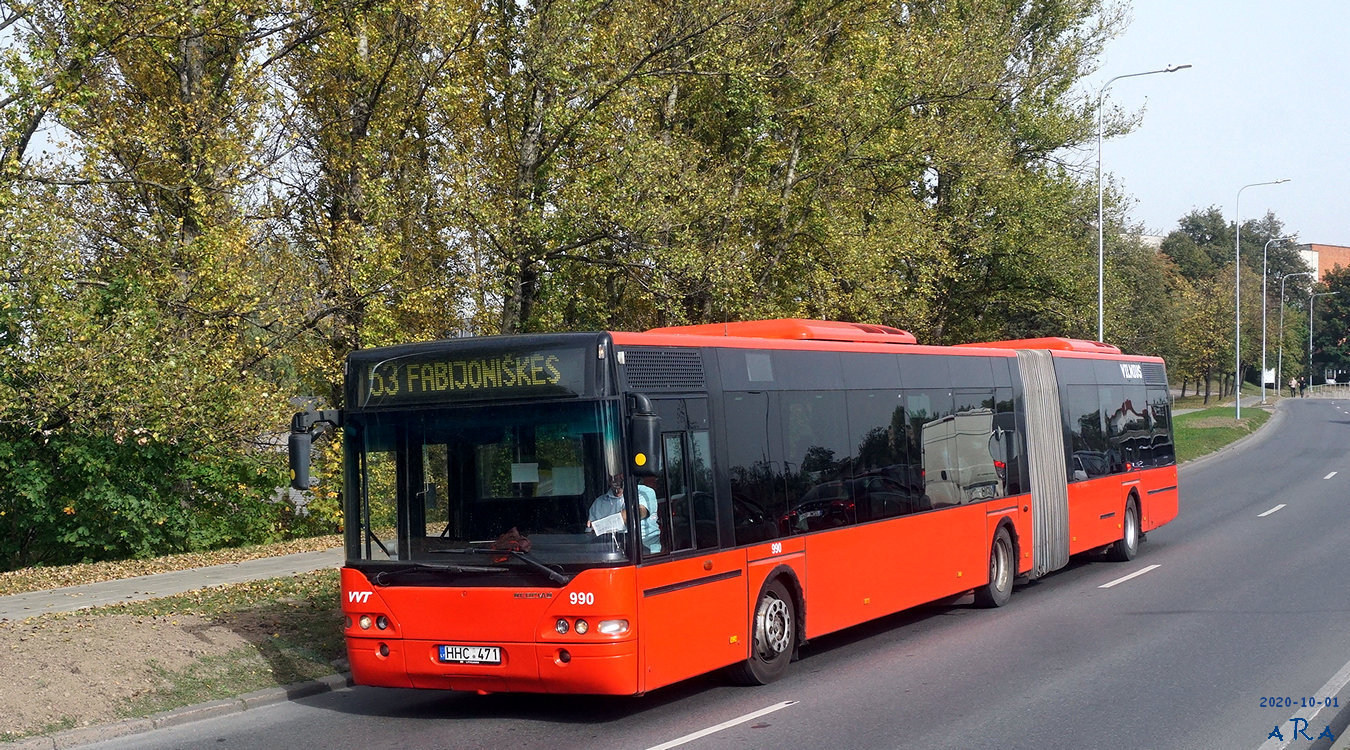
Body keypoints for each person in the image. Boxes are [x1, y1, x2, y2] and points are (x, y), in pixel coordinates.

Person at [588, 474, 659, 553]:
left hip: (645, 553)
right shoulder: (598, 503)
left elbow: (638, 513)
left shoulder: (644, 492)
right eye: (611, 475)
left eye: (619, 474)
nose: (615, 478)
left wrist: (601, 526)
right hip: (610, 554)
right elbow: (590, 533)